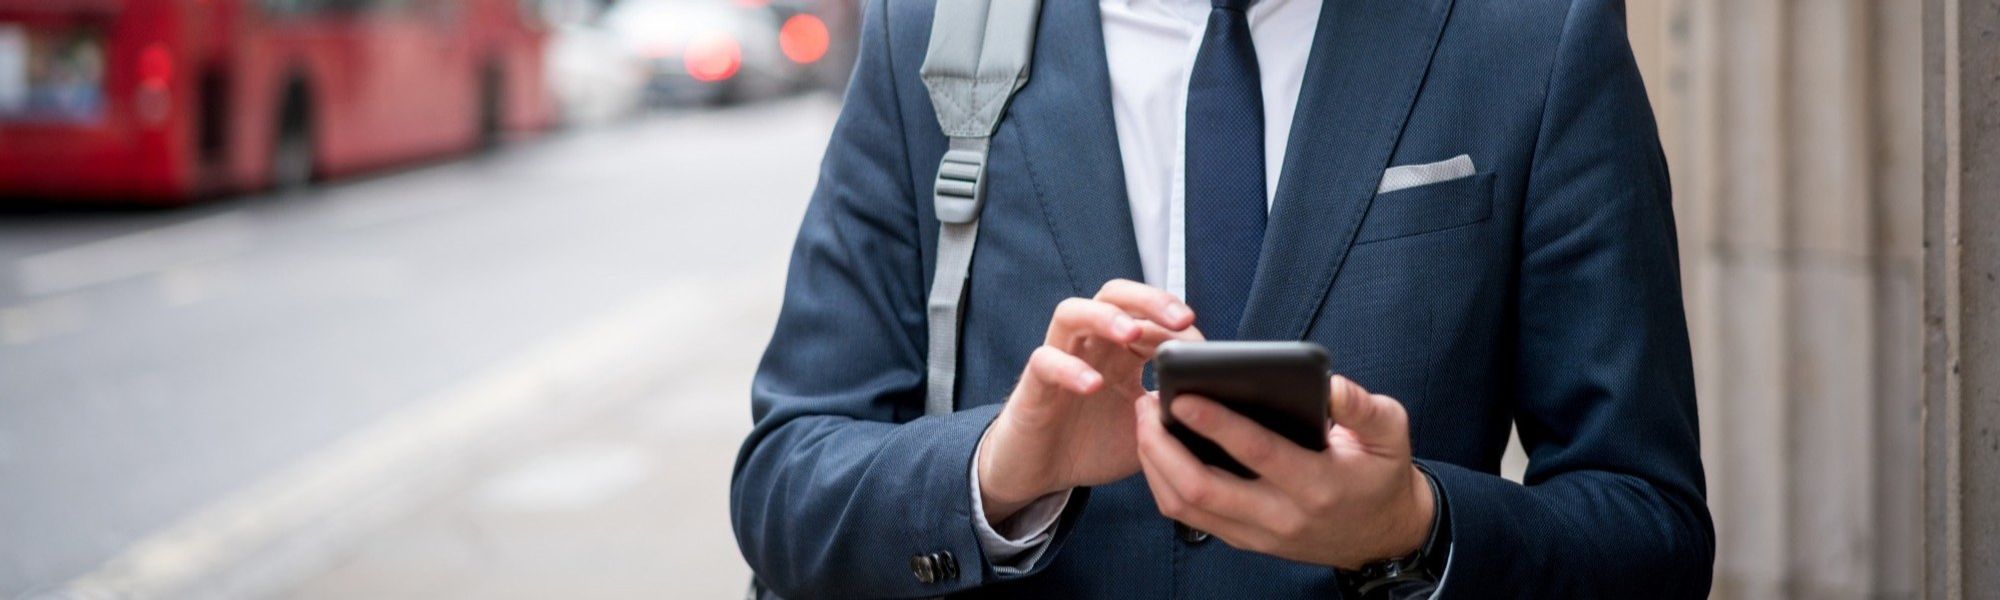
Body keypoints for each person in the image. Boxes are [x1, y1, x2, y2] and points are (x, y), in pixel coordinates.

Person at [731, 0, 1714, 597]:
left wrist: (1412, 530)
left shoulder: (1533, 36)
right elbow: (784, 480)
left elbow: (1649, 532)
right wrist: (995, 474)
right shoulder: (930, 33)